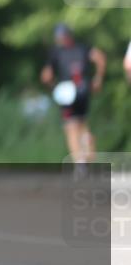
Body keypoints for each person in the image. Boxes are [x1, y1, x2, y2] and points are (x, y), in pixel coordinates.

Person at [40, 23, 105, 164]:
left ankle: (80, 161)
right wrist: (98, 79)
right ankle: (89, 156)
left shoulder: (57, 52)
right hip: (84, 90)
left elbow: (46, 75)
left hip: (67, 94)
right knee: (82, 123)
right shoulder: (83, 48)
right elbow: (100, 57)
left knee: (70, 126)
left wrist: (52, 86)